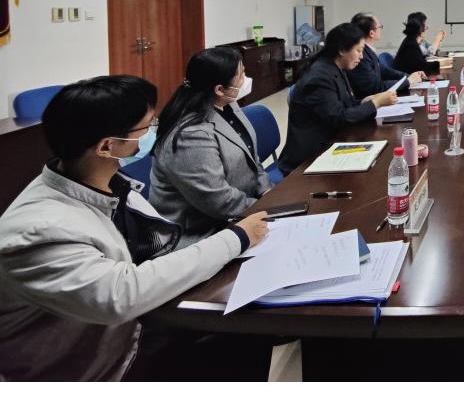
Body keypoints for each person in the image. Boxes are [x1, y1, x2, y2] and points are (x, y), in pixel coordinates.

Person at [0, 76, 270, 381]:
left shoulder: (108, 184)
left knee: (256, 334)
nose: (153, 132)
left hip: (138, 331)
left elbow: (160, 247)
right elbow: (122, 294)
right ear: (107, 146)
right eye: (146, 127)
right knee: (245, 344)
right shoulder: (38, 230)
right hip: (101, 369)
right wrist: (235, 238)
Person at [150, 48, 272, 247]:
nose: (246, 79)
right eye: (241, 75)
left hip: (240, 211)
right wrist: (264, 209)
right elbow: (217, 200)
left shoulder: (227, 104)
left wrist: (268, 193)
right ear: (219, 89)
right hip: (201, 233)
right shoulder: (190, 134)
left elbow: (252, 156)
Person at [278, 23, 398, 175]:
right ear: (341, 50)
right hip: (308, 158)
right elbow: (339, 117)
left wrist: (365, 101)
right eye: (358, 50)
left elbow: (343, 104)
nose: (361, 56)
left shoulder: (336, 67)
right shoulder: (319, 77)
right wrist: (376, 103)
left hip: (331, 143)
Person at [348, 12, 423, 99]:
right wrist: (407, 81)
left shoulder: (368, 50)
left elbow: (384, 71)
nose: (381, 29)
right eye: (380, 27)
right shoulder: (361, 55)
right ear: (371, 33)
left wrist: (408, 76)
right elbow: (375, 87)